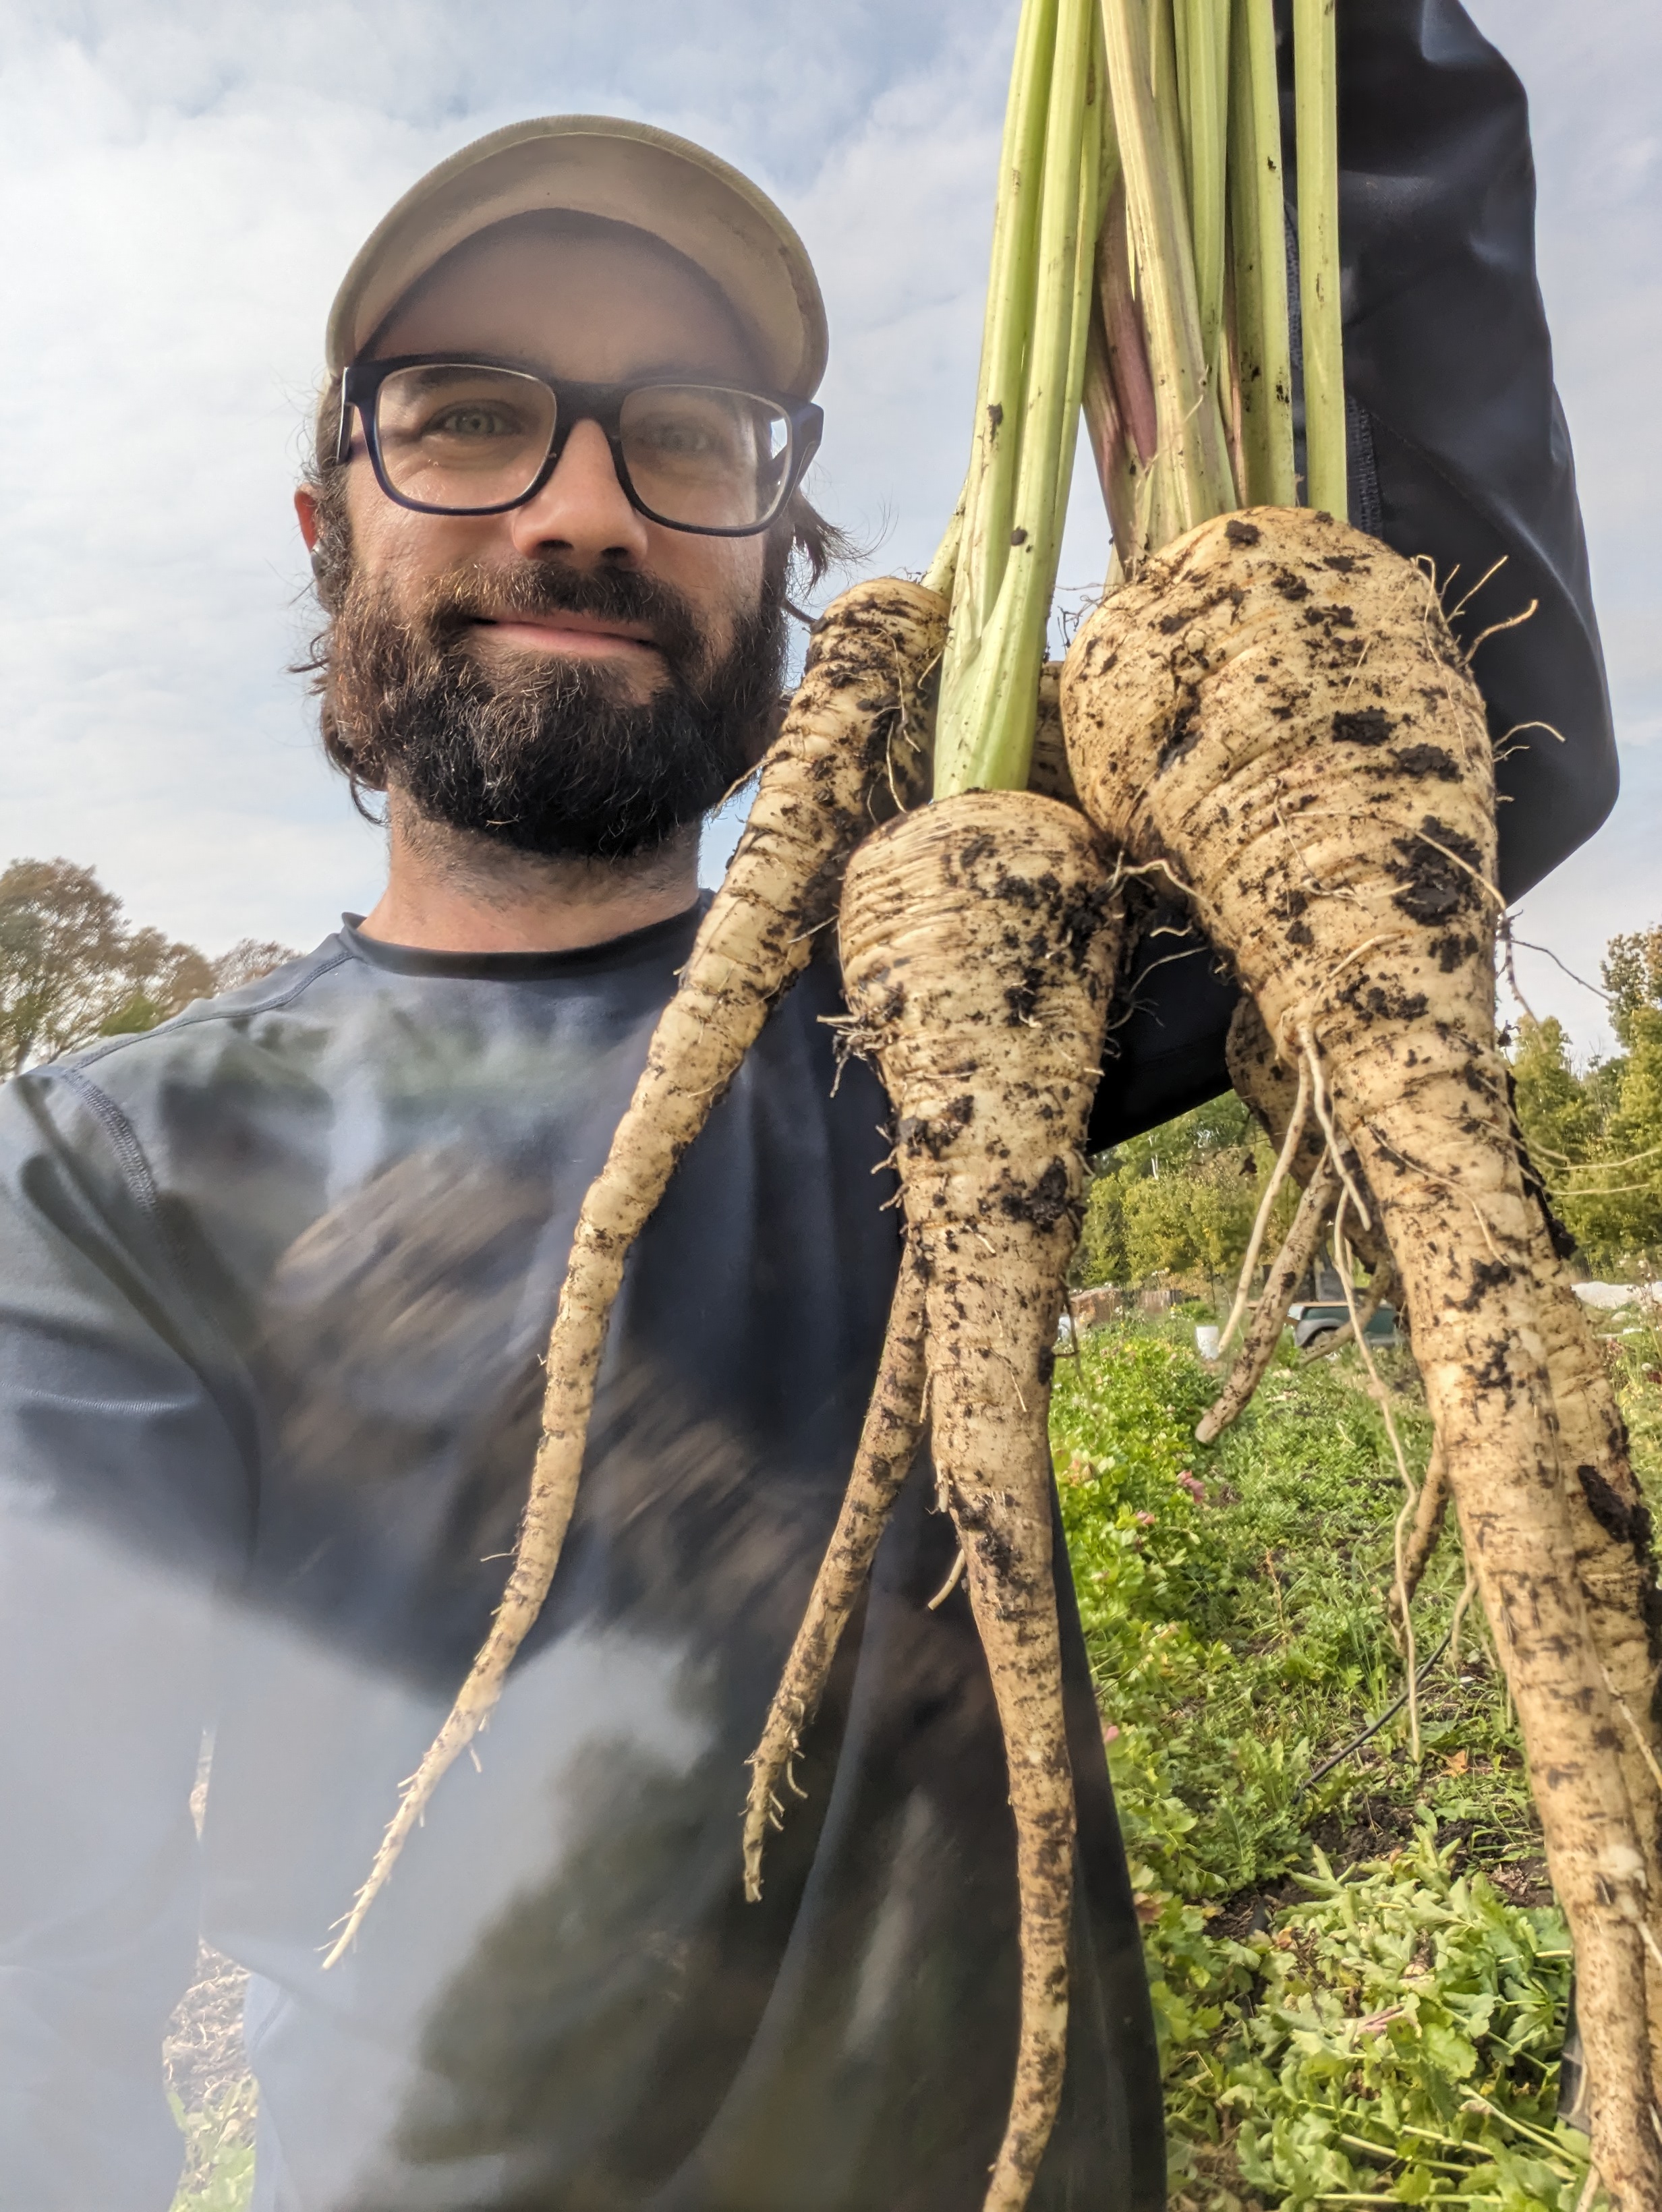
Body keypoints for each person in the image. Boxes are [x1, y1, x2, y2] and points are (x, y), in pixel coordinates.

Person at [0, 7, 1620, 2203]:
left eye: (685, 438)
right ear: (323, 529)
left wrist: (1362, 62)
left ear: (782, 543)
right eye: (469, 421)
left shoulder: (958, 976)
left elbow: (1445, 762)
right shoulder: (107, 1167)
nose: (582, 509)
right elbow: (37, 1976)